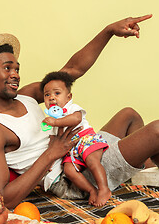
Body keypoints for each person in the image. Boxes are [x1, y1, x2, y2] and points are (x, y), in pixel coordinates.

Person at [0, 14, 159, 209]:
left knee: (129, 115)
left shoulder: (25, 95)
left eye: (16, 68)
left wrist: (108, 31)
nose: (15, 74)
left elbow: (71, 70)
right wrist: (51, 154)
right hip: (73, 174)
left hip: (82, 149)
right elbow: (3, 199)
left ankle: (149, 171)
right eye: (7, 68)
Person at [40, 71, 111, 206]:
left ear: (68, 97)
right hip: (71, 151)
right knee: (69, 170)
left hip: (86, 140)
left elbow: (76, 119)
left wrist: (56, 122)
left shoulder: (72, 108)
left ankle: (104, 188)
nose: (51, 98)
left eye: (57, 93)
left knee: (91, 160)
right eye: (47, 95)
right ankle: (92, 190)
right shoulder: (51, 119)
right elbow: (53, 141)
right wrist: (49, 162)